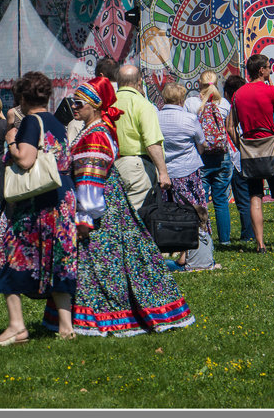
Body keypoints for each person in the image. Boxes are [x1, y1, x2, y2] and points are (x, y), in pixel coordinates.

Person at [64, 77, 195, 337]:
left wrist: (84, 217)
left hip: (100, 210)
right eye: (73, 102)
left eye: (78, 103)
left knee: (106, 261)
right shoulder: (95, 129)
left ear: (95, 105)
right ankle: (94, 315)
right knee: (112, 261)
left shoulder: (96, 134)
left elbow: (92, 178)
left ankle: (110, 317)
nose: (74, 108)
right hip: (107, 206)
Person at [0, 71, 75, 345]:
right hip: (61, 200)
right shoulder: (58, 123)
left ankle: (17, 327)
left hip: (37, 204)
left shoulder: (29, 123)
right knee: (58, 261)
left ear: (23, 98)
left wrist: (12, 140)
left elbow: (25, 161)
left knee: (6, 260)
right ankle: (65, 327)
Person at [228, 55, 274, 253]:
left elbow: (230, 126)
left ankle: (260, 244)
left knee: (255, 196)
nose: (271, 71)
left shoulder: (238, 94)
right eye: (269, 68)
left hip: (250, 149)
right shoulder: (270, 91)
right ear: (261, 71)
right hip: (271, 147)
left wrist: (240, 144)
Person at [158, 83, 219, 271]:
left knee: (172, 213)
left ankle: (176, 251)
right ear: (181, 99)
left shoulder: (155, 118)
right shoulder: (189, 118)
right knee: (196, 211)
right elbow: (202, 143)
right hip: (188, 170)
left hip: (166, 171)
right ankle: (194, 254)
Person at [111, 64, 170, 211]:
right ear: (139, 81)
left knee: (117, 214)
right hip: (137, 168)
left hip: (113, 166)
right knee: (137, 216)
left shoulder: (108, 103)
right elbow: (152, 143)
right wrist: (163, 172)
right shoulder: (143, 105)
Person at [186, 72, 234, 247]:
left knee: (201, 199)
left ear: (199, 82)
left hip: (202, 156)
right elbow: (229, 128)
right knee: (221, 199)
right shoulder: (224, 104)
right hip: (222, 156)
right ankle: (225, 241)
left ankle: (203, 239)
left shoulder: (191, 103)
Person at [222, 74, 255, 243]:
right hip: (253, 155)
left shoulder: (230, 107)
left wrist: (239, 145)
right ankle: (253, 231)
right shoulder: (249, 105)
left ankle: (248, 233)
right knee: (252, 196)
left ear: (228, 93)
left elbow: (230, 128)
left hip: (236, 157)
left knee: (242, 198)